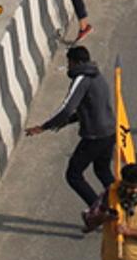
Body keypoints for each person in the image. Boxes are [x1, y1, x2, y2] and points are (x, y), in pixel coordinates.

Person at [32, 42, 118, 213]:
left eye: (69, 63)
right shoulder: (97, 77)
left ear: (77, 63)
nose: (68, 67)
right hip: (109, 132)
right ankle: (121, 204)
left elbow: (67, 108)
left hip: (94, 136)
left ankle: (99, 210)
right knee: (102, 170)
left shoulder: (82, 79)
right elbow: (87, 109)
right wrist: (66, 122)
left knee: (73, 175)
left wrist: (45, 126)